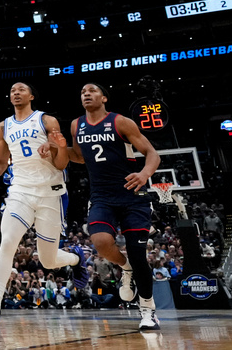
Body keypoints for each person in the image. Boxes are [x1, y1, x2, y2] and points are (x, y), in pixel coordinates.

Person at [0, 83, 86, 328]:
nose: (16, 92)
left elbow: (62, 164)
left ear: (31, 95)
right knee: (8, 241)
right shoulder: (3, 127)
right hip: (20, 192)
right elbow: (1, 161)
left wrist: (55, 147)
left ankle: (76, 259)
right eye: (12, 90)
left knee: (48, 261)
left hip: (50, 194)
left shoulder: (47, 121)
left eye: (21, 89)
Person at [67, 83, 161, 331]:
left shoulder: (121, 122)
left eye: (92, 91)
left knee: (139, 255)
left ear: (104, 98)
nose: (86, 94)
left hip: (132, 196)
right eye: (82, 91)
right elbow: (79, 156)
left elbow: (152, 153)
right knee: (99, 241)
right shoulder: (77, 125)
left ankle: (148, 310)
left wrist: (144, 174)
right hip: (102, 196)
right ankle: (124, 266)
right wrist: (58, 148)